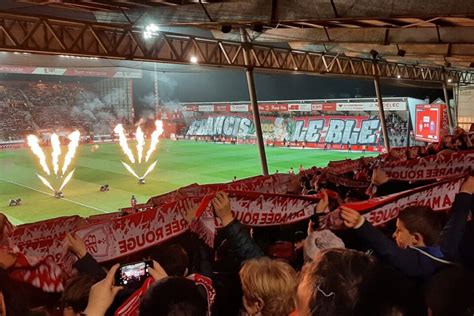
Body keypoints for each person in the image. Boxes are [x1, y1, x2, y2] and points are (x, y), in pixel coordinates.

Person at [340, 176, 474, 279]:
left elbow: (390, 251)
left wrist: (361, 224)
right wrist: (465, 192)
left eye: (399, 230)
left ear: (415, 238)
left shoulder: (421, 264)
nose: (394, 235)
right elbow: (456, 222)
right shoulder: (445, 251)